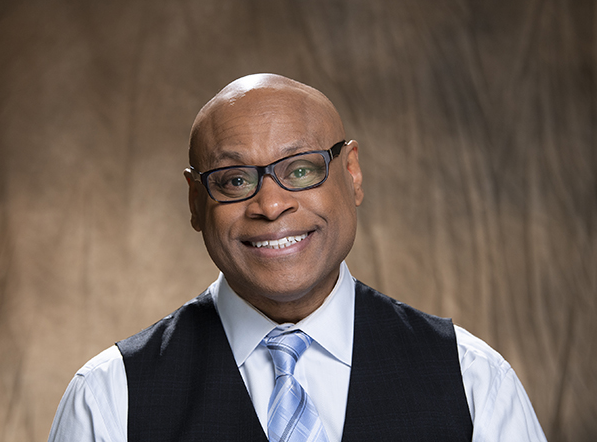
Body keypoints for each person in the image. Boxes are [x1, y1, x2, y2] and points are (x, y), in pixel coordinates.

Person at [48, 74, 547, 441]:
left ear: (351, 174)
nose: (270, 205)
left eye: (302, 170)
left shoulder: (473, 381)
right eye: (235, 180)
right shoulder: (111, 398)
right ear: (195, 202)